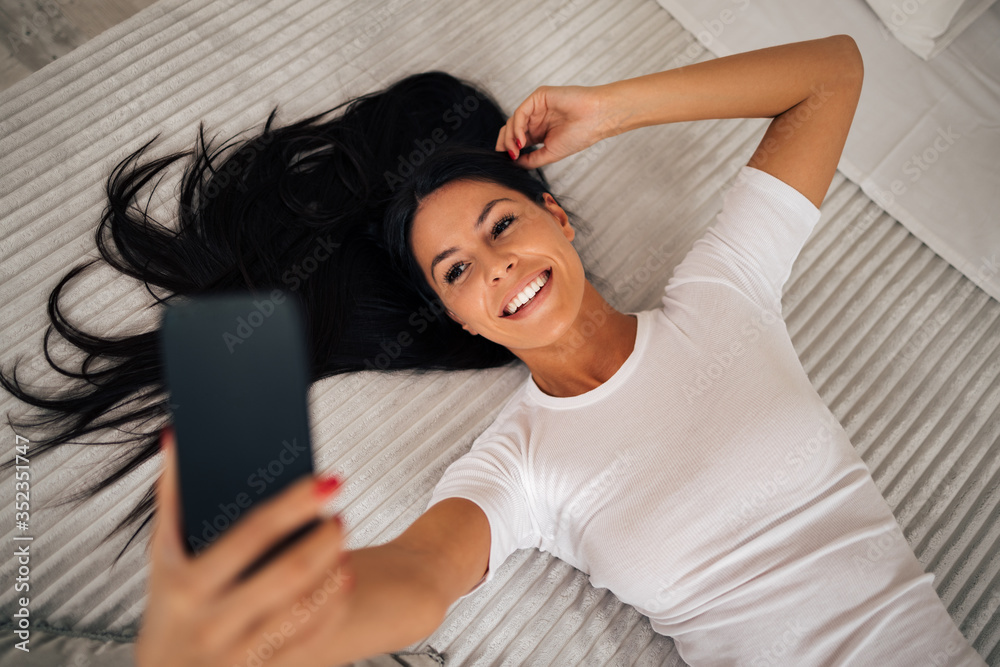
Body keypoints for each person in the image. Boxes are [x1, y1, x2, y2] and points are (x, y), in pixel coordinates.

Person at [1, 34, 984, 667]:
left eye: (501, 225)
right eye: (457, 272)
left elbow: (832, 76)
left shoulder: (723, 292)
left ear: (554, 213)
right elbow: (421, 576)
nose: (496, 270)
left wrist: (611, 106)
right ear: (459, 320)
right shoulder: (517, 464)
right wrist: (294, 620)